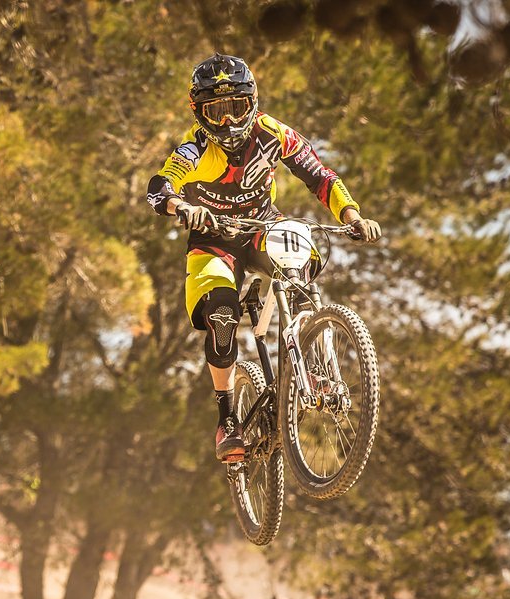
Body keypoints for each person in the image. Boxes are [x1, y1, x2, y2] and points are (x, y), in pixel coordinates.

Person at [145, 54, 383, 459]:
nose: (227, 122)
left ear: (252, 103)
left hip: (261, 228)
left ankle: (318, 360)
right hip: (212, 241)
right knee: (221, 314)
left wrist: (352, 214)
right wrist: (179, 207)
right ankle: (227, 419)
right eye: (215, 112)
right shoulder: (194, 148)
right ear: (198, 113)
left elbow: (320, 176)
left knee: (303, 258)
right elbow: (159, 187)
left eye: (235, 108)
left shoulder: (274, 133)